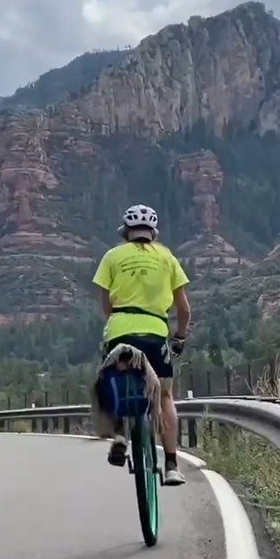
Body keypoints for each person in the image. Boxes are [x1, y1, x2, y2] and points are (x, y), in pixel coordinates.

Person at [91, 203, 191, 486]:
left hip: (120, 331)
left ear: (125, 231)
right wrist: (179, 336)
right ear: (153, 232)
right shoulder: (167, 257)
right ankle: (171, 465)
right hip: (155, 333)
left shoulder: (112, 256)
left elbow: (106, 306)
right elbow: (184, 310)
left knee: (109, 379)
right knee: (165, 396)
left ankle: (119, 434)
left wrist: (122, 323)